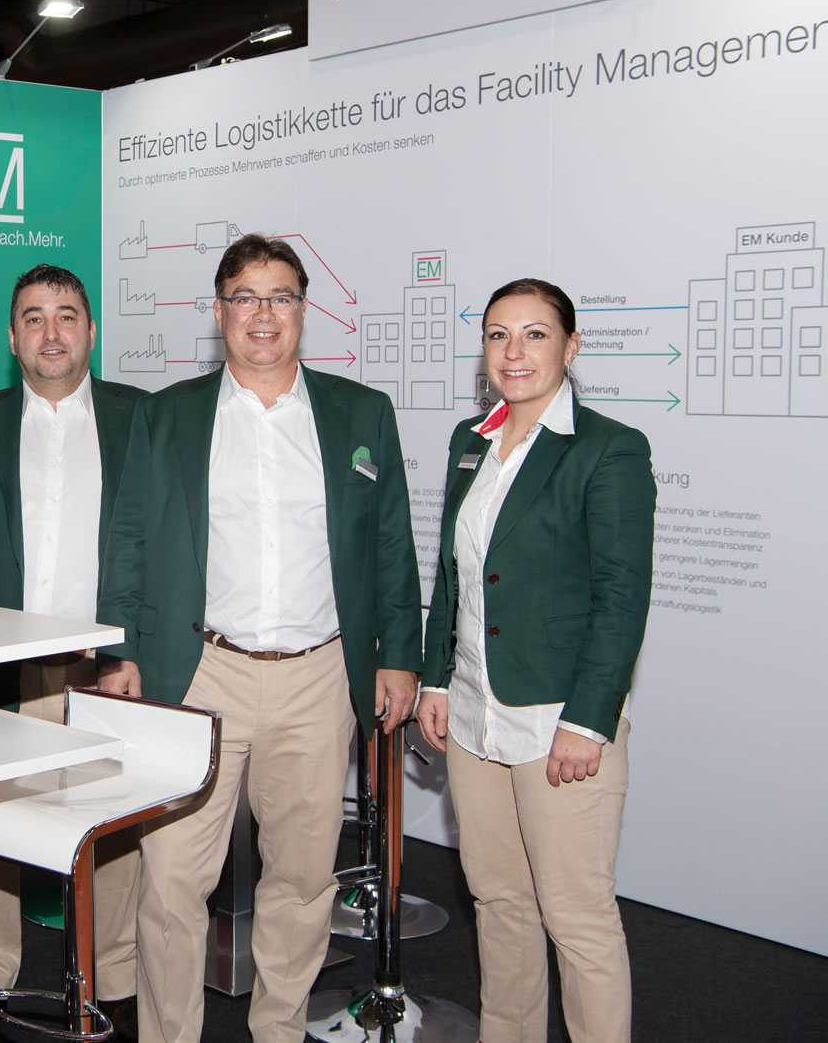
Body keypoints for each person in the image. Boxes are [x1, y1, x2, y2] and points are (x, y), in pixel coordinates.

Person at [96, 233, 423, 1043]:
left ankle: (278, 1028)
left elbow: (391, 543)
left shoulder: (360, 413)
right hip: (200, 670)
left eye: (280, 297)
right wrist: (121, 649)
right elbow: (127, 535)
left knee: (304, 880)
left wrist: (400, 656)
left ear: (304, 311)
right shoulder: (167, 415)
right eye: (246, 297)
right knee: (172, 878)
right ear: (220, 312)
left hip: (319, 676)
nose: (263, 314)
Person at [415, 279, 654, 1043]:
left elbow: (622, 597)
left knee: (577, 917)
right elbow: (452, 575)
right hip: (474, 715)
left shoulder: (608, 448)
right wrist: (434, 677)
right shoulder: (471, 439)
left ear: (571, 346)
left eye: (535, 334)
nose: (513, 352)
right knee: (500, 903)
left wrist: (589, 720)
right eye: (497, 335)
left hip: (558, 721)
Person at [0, 265, 148, 1043]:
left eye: (66, 316)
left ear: (91, 330)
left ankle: (116, 976)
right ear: (12, 337)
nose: (51, 332)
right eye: (33, 317)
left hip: (103, 663)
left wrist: (135, 647)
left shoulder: (140, 418)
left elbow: (158, 542)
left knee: (110, 822)